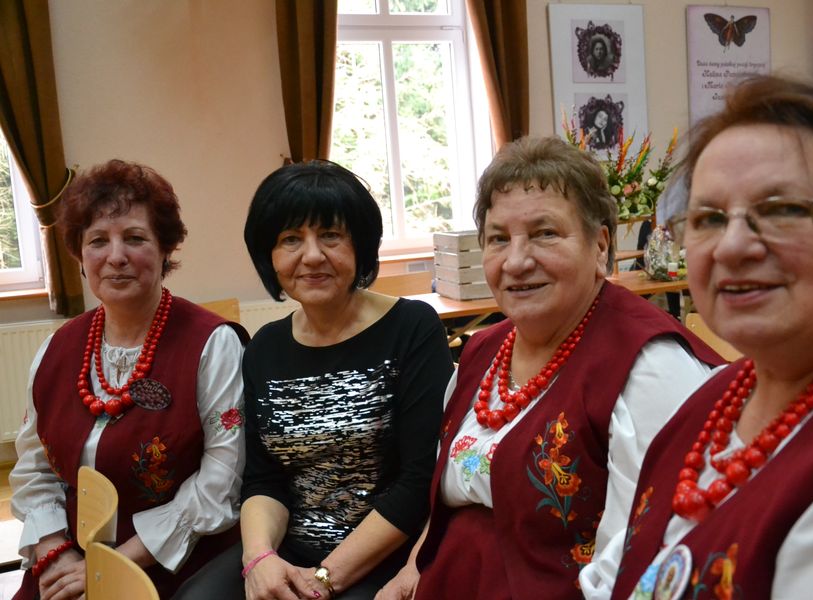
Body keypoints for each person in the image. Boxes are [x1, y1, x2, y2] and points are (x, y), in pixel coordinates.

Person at [582, 75, 813, 599]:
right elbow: (620, 566)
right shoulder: (714, 398)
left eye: (784, 209)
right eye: (707, 218)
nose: (731, 247)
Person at [376, 136, 723, 600]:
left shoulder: (648, 367)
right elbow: (451, 497)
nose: (517, 261)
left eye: (545, 234)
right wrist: (412, 569)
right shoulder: (481, 351)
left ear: (600, 247)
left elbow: (642, 555)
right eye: (499, 239)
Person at [174, 160, 454, 600]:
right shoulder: (265, 348)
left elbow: (419, 481)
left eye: (330, 235)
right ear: (269, 255)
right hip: (291, 548)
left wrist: (324, 579)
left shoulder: (412, 328)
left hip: (386, 555)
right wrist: (259, 560)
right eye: (290, 239)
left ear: (360, 245)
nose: (311, 256)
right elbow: (264, 479)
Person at [10, 159, 248, 600]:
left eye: (135, 238)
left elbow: (221, 479)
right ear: (80, 257)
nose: (116, 256)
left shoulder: (213, 345)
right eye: (98, 240)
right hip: (70, 559)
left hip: (176, 561)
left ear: (165, 250)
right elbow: (34, 465)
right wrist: (56, 553)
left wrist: (110, 567)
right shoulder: (56, 350)